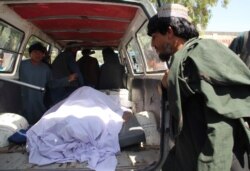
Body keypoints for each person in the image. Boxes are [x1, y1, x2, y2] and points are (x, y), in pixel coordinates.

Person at [147, 4, 250, 171]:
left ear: (170, 32)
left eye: (154, 36)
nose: (152, 44)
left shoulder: (199, 56)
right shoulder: (184, 60)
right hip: (189, 153)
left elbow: (220, 127)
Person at [26, 86, 132, 171]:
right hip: (81, 111)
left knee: (65, 122)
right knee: (81, 122)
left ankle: (74, 128)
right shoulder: (93, 94)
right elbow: (115, 109)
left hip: (74, 113)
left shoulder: (85, 93)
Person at [19, 42, 76, 124]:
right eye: (35, 52)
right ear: (30, 53)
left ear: (43, 55)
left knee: (38, 121)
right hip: (24, 98)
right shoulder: (22, 65)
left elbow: (51, 84)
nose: (38, 54)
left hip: (39, 100)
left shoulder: (46, 69)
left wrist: (67, 79)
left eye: (41, 53)